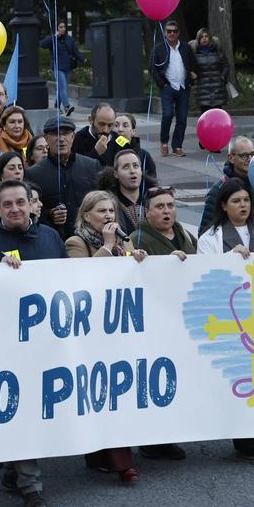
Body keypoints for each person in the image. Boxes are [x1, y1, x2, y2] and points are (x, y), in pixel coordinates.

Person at [0, 180, 65, 507]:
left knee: (37, 409)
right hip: (6, 344)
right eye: (7, 204)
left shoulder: (51, 236)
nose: (15, 209)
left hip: (47, 340)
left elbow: (68, 282)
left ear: (32, 203)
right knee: (20, 410)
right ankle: (31, 486)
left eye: (21, 202)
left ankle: (13, 471)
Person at [197, 177, 254, 461]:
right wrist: (228, 259)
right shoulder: (211, 238)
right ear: (223, 205)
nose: (243, 205)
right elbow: (205, 275)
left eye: (246, 200)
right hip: (233, 317)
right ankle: (243, 437)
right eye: (236, 201)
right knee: (241, 377)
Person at [64, 191, 146, 482]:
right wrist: (109, 246)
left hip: (119, 326)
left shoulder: (126, 240)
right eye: (101, 212)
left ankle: (116, 456)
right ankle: (114, 460)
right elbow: (81, 278)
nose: (109, 216)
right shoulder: (76, 242)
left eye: (111, 211)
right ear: (87, 215)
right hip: (91, 329)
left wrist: (135, 258)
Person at [129, 185, 193, 462]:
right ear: (148, 211)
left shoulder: (185, 234)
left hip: (183, 316)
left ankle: (171, 433)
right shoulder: (138, 237)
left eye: (170, 205)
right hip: (154, 318)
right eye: (160, 207)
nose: (167, 211)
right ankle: (153, 440)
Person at [24, 115, 100, 240]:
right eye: (56, 134)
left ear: (73, 137)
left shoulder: (91, 166)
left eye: (65, 133)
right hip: (52, 240)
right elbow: (28, 209)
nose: (61, 139)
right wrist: (50, 214)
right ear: (47, 139)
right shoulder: (33, 174)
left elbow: (101, 202)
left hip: (89, 239)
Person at [150, 20, 197, 158]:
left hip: (183, 87)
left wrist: (193, 75)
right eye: (169, 31)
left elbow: (193, 63)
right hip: (168, 87)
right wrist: (162, 84)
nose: (171, 33)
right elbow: (153, 68)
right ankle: (164, 142)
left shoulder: (185, 48)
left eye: (174, 31)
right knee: (167, 114)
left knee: (182, 118)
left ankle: (177, 146)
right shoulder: (158, 48)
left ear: (178, 33)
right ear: (164, 33)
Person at [98, 149, 147, 235]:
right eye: (126, 167)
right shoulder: (109, 205)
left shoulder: (152, 201)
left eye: (136, 166)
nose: (132, 171)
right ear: (116, 174)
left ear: (141, 170)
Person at [40, 21, 86, 113]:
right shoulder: (52, 39)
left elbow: (75, 51)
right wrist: (54, 36)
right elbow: (43, 44)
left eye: (64, 27)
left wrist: (83, 59)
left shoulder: (69, 39)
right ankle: (67, 106)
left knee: (62, 88)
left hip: (68, 67)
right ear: (57, 29)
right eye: (60, 27)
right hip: (57, 67)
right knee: (63, 86)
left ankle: (57, 106)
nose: (63, 29)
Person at [190, 28, 228, 114]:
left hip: (217, 89)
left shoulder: (218, 52)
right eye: (201, 37)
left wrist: (222, 77)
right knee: (205, 116)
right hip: (202, 90)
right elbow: (191, 70)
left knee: (218, 115)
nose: (204, 38)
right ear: (198, 39)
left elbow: (226, 66)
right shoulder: (195, 54)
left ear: (210, 38)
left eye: (206, 36)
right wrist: (193, 78)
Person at [112, 112, 157, 180]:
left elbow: (152, 181)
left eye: (125, 125)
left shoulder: (144, 155)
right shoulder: (106, 151)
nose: (120, 129)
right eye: (116, 125)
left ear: (133, 131)